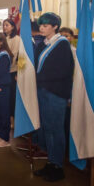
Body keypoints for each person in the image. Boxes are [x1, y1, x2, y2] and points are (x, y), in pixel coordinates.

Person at [33, 13, 74, 182]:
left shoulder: (62, 44)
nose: (41, 28)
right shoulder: (43, 44)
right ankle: (51, 162)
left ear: (55, 27)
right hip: (43, 90)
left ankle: (57, 166)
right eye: (40, 26)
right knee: (47, 128)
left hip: (56, 93)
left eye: (45, 26)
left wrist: (38, 78)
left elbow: (63, 71)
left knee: (55, 130)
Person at [3, 18, 20, 128]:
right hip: (3, 72)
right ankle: (7, 118)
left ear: (13, 27)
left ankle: (13, 120)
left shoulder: (16, 39)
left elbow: (13, 55)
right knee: (5, 97)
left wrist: (5, 67)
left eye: (7, 25)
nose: (4, 27)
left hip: (11, 71)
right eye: (4, 25)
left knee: (12, 98)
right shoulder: (4, 38)